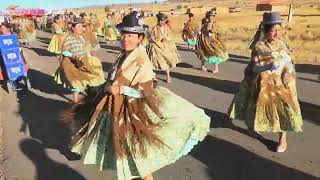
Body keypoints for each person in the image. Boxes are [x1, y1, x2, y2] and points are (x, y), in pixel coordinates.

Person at [62, 14, 210, 180]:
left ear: (140, 38)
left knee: (135, 153)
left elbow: (144, 91)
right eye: (124, 34)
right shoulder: (124, 54)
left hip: (133, 111)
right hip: (117, 107)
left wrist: (121, 89)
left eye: (131, 35)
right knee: (129, 152)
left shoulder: (141, 59)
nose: (125, 39)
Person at [228, 12, 303, 153]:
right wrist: (267, 67)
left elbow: (289, 61)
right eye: (273, 30)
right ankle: (254, 127)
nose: (277, 33)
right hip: (265, 85)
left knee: (284, 110)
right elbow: (253, 67)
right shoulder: (258, 47)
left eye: (279, 30)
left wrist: (288, 71)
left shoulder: (283, 43)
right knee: (257, 107)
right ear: (266, 30)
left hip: (282, 84)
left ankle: (283, 138)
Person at [53, 17, 105, 103]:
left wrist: (90, 55)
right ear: (73, 28)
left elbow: (85, 49)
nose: (81, 28)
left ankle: (91, 94)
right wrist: (72, 55)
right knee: (76, 81)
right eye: (79, 26)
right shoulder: (69, 37)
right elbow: (65, 51)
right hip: (74, 62)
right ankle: (75, 100)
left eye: (82, 26)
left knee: (91, 76)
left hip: (85, 60)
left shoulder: (83, 37)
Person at [148, 13, 182, 83]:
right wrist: (155, 40)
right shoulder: (154, 28)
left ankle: (168, 77)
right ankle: (154, 76)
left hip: (165, 46)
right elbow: (151, 37)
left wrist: (166, 38)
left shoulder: (167, 27)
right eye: (160, 20)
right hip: (156, 47)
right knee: (154, 61)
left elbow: (170, 36)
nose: (161, 22)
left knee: (166, 62)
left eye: (162, 20)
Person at [0, 22, 28, 90]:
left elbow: (17, 46)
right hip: (4, 55)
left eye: (3, 28)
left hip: (15, 53)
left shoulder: (13, 35)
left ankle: (19, 77)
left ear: (8, 28)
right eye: (1, 28)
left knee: (20, 64)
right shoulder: (0, 36)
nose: (1, 30)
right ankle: (9, 78)